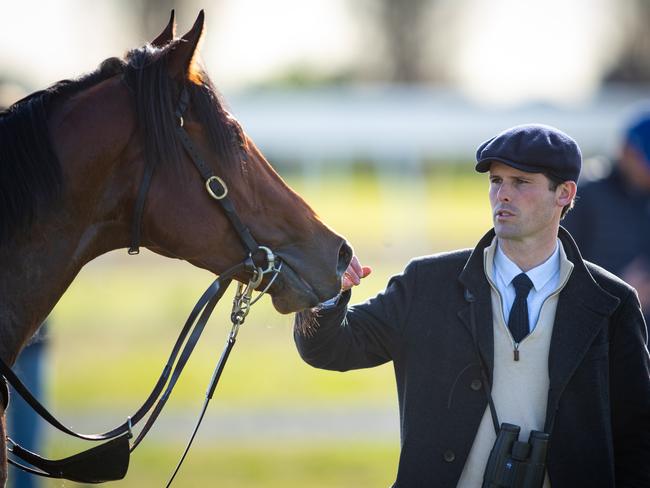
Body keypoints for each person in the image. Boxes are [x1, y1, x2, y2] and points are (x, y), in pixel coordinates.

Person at [294, 124, 650, 487]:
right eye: (496, 181)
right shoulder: (427, 283)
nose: (503, 195)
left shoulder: (612, 303)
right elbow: (331, 348)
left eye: (521, 182)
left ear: (564, 193)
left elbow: (637, 439)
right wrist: (325, 294)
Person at [563, 109, 650, 325]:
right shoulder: (586, 194)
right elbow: (560, 267)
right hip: (601, 329)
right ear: (626, 151)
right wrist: (619, 291)